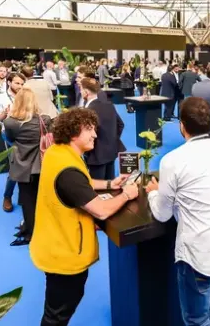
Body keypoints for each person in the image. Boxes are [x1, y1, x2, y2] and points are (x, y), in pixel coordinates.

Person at [31, 108, 139, 326]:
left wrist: (110, 183)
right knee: (57, 314)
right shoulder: (68, 170)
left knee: (59, 306)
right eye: (89, 130)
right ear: (73, 133)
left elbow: (83, 183)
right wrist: (127, 194)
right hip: (65, 252)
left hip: (52, 244)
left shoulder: (57, 153)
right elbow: (101, 211)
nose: (95, 135)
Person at [145, 97, 210, 326]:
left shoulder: (173, 160)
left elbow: (162, 214)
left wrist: (153, 192)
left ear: (182, 125)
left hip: (200, 254)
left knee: (196, 318)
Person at [3, 88, 52, 246]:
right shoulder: (44, 119)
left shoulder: (10, 122)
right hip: (42, 164)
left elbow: (10, 140)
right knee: (43, 199)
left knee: (27, 200)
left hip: (21, 165)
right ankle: (44, 230)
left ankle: (31, 232)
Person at [0, 72, 26, 213]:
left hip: (27, 133)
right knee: (15, 166)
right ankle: (7, 197)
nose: (20, 86)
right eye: (17, 83)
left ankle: (25, 196)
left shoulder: (26, 96)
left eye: (22, 83)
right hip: (9, 134)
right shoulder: (0, 98)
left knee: (28, 164)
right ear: (9, 83)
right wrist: (4, 115)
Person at [80, 78, 125, 180]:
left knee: (98, 188)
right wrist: (112, 139)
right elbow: (120, 124)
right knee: (110, 185)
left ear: (86, 92)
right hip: (111, 152)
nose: (80, 91)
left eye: (81, 89)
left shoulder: (88, 111)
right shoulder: (109, 105)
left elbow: (85, 134)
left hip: (95, 154)